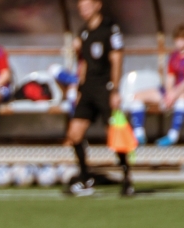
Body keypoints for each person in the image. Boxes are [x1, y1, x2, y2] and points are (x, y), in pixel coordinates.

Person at [64, 0, 132, 197]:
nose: (82, 10)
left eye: (86, 5)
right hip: (88, 89)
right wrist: (80, 88)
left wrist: (115, 90)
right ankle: (85, 176)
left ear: (97, 5)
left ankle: (127, 178)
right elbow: (84, 62)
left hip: (105, 87)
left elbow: (117, 59)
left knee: (113, 135)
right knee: (74, 134)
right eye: (80, 7)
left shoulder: (110, 29)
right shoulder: (84, 32)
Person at [127, 25, 184, 147]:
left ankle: (173, 136)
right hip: (172, 91)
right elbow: (170, 77)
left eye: (182, 39)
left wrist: (174, 94)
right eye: (177, 39)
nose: (179, 42)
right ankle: (139, 135)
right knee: (137, 96)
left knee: (183, 98)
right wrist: (169, 92)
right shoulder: (174, 56)